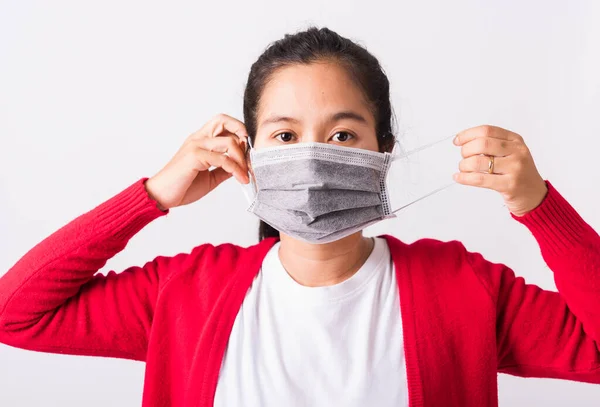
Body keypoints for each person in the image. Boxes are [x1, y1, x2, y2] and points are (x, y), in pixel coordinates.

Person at [0, 26, 598, 407]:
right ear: (249, 155)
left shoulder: (463, 286)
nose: (311, 156)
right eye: (284, 135)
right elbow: (15, 314)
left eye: (342, 132)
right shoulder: (185, 293)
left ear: (382, 154)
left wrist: (540, 207)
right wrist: (154, 194)